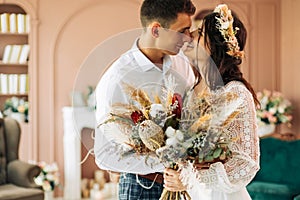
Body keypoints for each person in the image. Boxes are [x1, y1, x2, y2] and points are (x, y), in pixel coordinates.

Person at [94, 0, 196, 199]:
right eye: (182, 31)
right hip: (141, 188)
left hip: (183, 186)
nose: (188, 38)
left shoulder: (183, 65)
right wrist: (166, 162)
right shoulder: (118, 78)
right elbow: (105, 154)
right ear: (156, 30)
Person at [163, 4, 260, 200]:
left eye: (199, 32)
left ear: (214, 45)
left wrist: (192, 179)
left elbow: (246, 164)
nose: (189, 35)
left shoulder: (235, 93)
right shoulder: (191, 90)